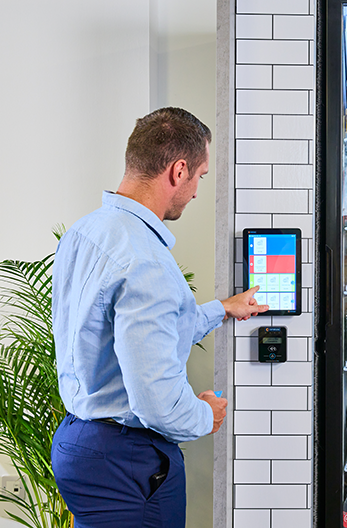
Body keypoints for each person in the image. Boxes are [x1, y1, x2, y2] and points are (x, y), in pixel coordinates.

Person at [50, 107, 267, 527]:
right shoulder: (145, 260)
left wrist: (222, 308)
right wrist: (206, 414)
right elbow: (157, 402)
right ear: (178, 170)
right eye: (201, 176)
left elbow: (124, 331)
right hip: (126, 460)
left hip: (78, 441)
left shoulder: (87, 231)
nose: (198, 191)